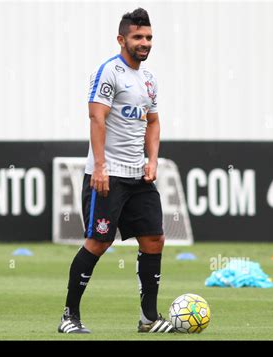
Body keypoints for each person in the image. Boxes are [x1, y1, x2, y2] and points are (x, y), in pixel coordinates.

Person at [58, 8, 173, 334]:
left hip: (138, 176)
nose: (145, 42)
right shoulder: (109, 72)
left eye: (148, 37)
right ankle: (69, 316)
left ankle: (149, 318)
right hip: (106, 175)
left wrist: (152, 160)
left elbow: (153, 122)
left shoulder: (149, 80)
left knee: (154, 239)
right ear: (122, 39)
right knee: (98, 241)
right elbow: (96, 118)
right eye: (138, 37)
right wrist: (100, 166)